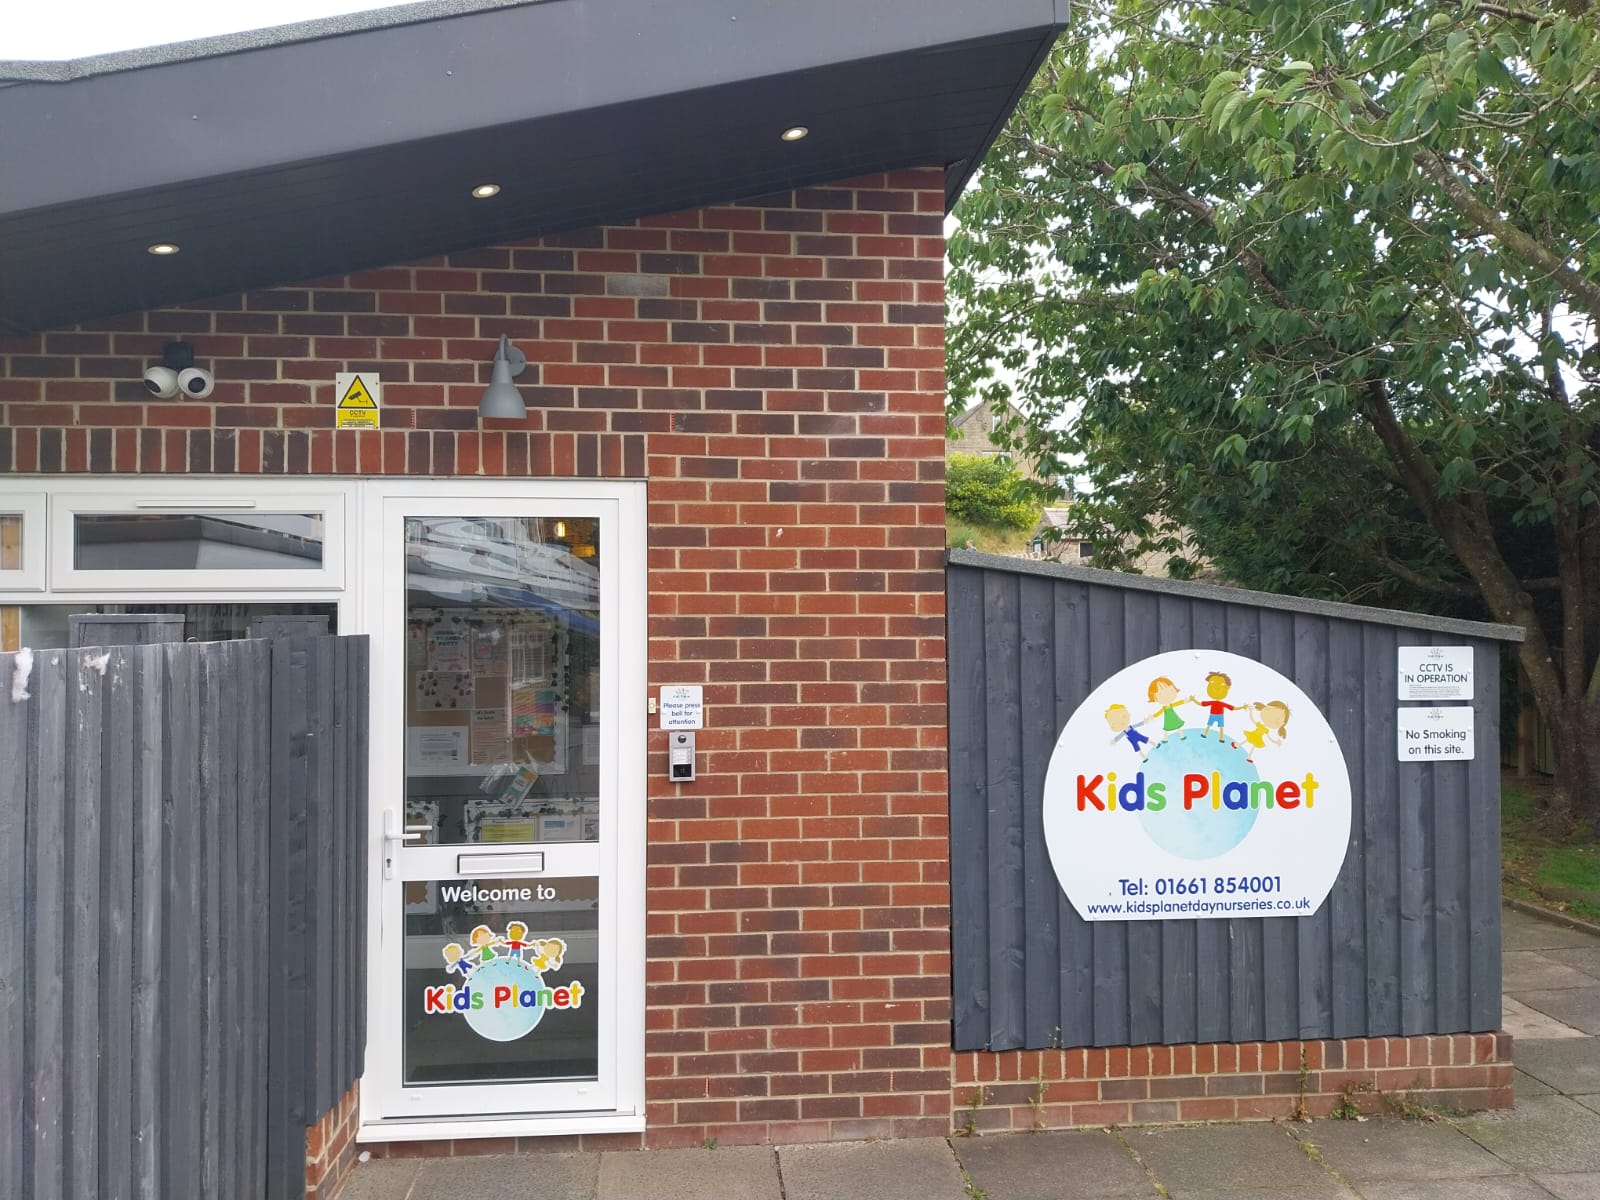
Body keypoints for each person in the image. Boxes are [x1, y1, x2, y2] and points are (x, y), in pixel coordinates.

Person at [1194, 671, 1238, 740]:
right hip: (1213, 715)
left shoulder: (1221, 704)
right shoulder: (1213, 702)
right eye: (1212, 684)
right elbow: (1202, 704)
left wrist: (1243, 707)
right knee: (1210, 725)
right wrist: (1194, 700)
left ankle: (1220, 738)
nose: (1216, 688)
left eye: (1222, 685)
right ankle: (1205, 734)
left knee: (1220, 727)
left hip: (1219, 716)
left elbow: (1232, 708)